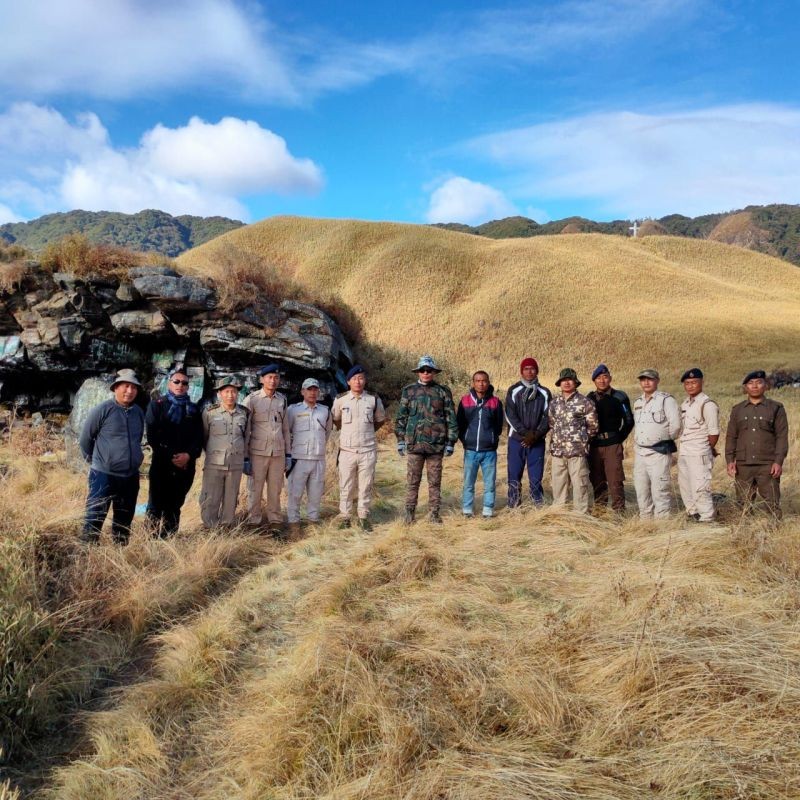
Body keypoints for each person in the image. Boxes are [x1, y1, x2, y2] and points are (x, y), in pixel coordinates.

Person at [79, 368, 145, 545]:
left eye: (133, 387)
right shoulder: (102, 410)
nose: (129, 391)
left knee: (124, 519)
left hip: (130, 476)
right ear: (115, 388)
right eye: (125, 386)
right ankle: (88, 553)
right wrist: (97, 462)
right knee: (95, 516)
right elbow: (85, 439)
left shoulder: (138, 412)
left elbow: (137, 440)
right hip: (104, 475)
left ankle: (120, 553)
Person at [395, 355, 458, 524]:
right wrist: (400, 439)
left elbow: (450, 417)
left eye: (429, 370)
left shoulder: (443, 391)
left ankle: (434, 514)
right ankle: (409, 513)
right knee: (412, 481)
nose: (425, 373)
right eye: (422, 370)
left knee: (435, 482)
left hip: (435, 446)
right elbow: (401, 417)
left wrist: (451, 442)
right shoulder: (409, 391)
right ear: (418, 372)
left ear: (434, 372)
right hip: (415, 444)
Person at [145, 368, 204, 537]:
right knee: (155, 505)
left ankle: (169, 541)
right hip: (162, 464)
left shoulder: (193, 410)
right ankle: (150, 541)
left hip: (185, 467)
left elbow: (199, 438)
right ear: (169, 383)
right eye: (176, 382)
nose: (180, 385)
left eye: (184, 383)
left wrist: (188, 456)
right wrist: (172, 456)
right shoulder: (157, 406)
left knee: (174, 505)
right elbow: (152, 435)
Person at [725, 370, 788, 519]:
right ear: (745, 387)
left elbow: (782, 437)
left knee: (772, 503)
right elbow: (731, 436)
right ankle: (744, 536)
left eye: (759, 383)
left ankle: (775, 534)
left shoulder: (776, 408)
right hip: (743, 465)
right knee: (742, 504)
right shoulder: (737, 410)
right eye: (750, 383)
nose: (755, 386)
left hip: (767, 464)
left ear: (765, 386)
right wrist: (729, 461)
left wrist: (778, 462)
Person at [331, 365, 386, 531]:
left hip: (367, 450)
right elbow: (336, 421)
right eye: (354, 378)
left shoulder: (373, 399)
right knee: (346, 485)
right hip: (347, 451)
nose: (358, 381)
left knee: (366, 484)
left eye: (361, 378)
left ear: (365, 380)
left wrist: (366, 433)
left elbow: (379, 420)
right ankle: (345, 516)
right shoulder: (340, 400)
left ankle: (363, 516)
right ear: (348, 381)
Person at [243, 363, 291, 535]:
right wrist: (245, 457)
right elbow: (245, 429)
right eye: (269, 377)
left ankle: (275, 522)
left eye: (276, 377)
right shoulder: (252, 399)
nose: (273, 380)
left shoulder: (282, 400)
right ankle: (253, 522)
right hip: (257, 453)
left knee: (275, 489)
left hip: (277, 453)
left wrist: (288, 455)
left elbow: (285, 428)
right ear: (262, 379)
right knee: (254, 489)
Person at [200, 377, 250, 528]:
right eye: (227, 391)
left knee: (231, 498)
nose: (230, 395)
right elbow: (204, 437)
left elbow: (246, 437)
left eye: (234, 391)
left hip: (235, 464)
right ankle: (210, 527)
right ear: (219, 394)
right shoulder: (210, 413)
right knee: (211, 498)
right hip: (214, 464)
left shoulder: (244, 413)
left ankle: (227, 527)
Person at [632, 368, 682, 519]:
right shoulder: (638, 402)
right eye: (643, 379)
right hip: (640, 453)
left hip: (658, 452)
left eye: (650, 379)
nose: (646, 382)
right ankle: (645, 521)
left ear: (657, 381)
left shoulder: (666, 400)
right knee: (641, 489)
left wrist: (664, 439)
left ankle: (662, 523)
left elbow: (676, 426)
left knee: (660, 489)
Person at [286, 378, 333, 536]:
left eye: (315, 389)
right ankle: (294, 526)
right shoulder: (293, 410)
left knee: (315, 494)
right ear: (302, 392)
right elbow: (288, 432)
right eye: (309, 389)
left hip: (318, 458)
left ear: (319, 392)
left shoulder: (325, 411)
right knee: (295, 494)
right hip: (298, 459)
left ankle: (313, 523)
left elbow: (326, 432)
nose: (312, 392)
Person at [548, 368, 598, 514]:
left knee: (580, 485)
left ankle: (580, 515)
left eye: (570, 380)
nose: (567, 383)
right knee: (558, 485)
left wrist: (580, 441)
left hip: (577, 453)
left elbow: (593, 427)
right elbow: (552, 424)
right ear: (560, 383)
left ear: (575, 383)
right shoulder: (554, 403)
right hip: (558, 453)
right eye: (564, 380)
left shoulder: (585, 402)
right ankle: (560, 513)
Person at [586, 364, 634, 512]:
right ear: (594, 381)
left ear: (610, 378)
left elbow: (629, 421)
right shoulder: (589, 398)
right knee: (597, 481)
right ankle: (600, 513)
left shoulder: (620, 396)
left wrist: (619, 438)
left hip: (612, 445)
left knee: (615, 481)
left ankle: (619, 512)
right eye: (598, 378)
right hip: (594, 446)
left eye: (605, 377)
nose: (602, 380)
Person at [456, 370, 504, 518]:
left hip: (489, 451)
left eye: (484, 381)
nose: (481, 383)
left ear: (488, 382)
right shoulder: (465, 401)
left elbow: (498, 426)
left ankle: (488, 509)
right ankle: (467, 509)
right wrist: (466, 440)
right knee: (468, 482)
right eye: (478, 381)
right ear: (473, 383)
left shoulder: (495, 402)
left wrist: (492, 440)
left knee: (489, 483)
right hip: (470, 450)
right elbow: (460, 424)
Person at [505, 357, 552, 508]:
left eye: (532, 368)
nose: (529, 371)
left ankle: (537, 504)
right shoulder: (514, 390)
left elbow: (548, 416)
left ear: (537, 371)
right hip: (516, 440)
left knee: (536, 476)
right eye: (526, 369)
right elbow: (510, 415)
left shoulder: (544, 393)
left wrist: (536, 434)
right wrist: (525, 433)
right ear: (521, 371)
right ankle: (513, 505)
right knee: (514, 474)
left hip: (537, 441)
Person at [677, 368, 720, 523]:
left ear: (702, 382)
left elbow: (714, 433)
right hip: (685, 451)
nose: (690, 386)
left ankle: (707, 518)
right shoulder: (686, 404)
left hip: (699, 452)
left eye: (694, 382)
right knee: (685, 485)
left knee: (700, 487)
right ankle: (693, 514)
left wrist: (705, 449)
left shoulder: (707, 404)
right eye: (687, 383)